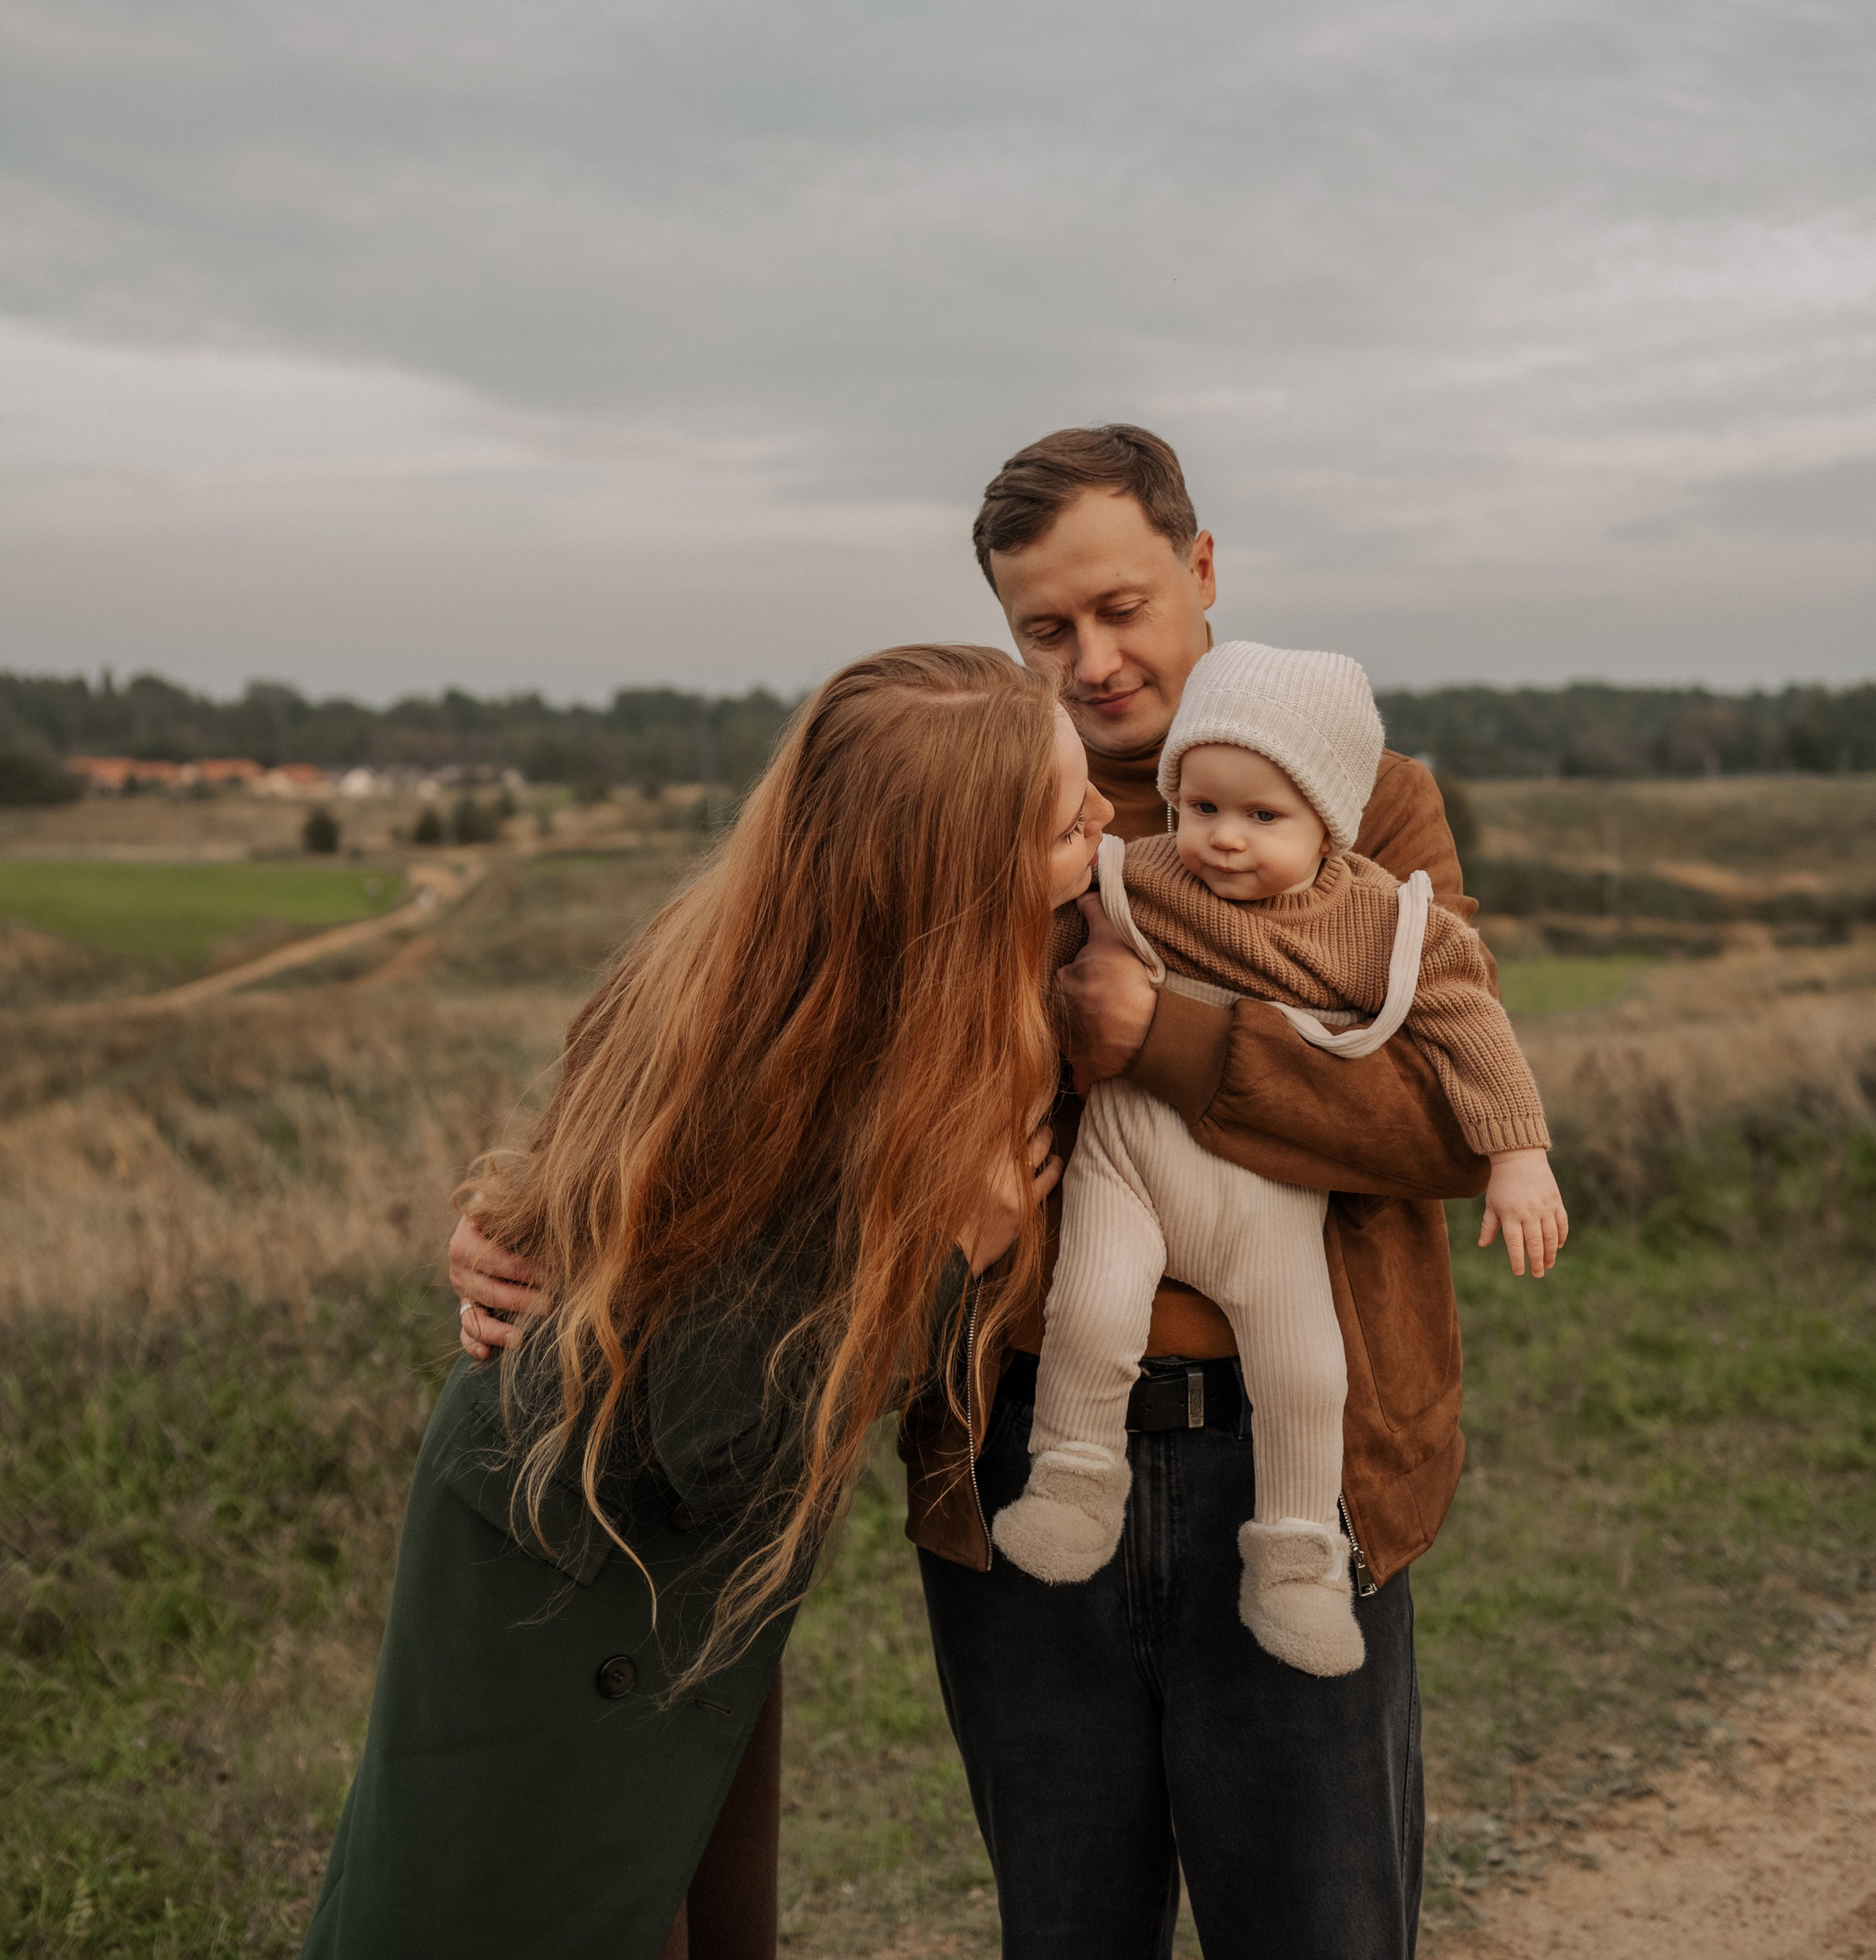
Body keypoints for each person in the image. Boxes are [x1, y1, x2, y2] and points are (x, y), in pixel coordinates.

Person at [455, 424, 1509, 1956]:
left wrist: (1161, 1039)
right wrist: (546, 1217)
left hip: (1290, 1456)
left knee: (1319, 1926)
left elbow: (1452, 1119)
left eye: (1123, 608)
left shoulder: (1363, 798)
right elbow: (749, 1040)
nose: (1092, 661)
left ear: (1204, 568)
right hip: (1013, 1449)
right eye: (1046, 630)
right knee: (1062, 1925)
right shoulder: (960, 803)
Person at [306, 645, 1101, 1960]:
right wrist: (959, 1250)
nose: (1108, 827)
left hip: (675, 1570)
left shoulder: (922, 975)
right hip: (576, 1555)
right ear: (954, 878)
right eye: (1070, 822)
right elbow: (720, 1432)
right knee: (525, 1906)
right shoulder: (762, 1032)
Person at [991, 637, 1565, 1679]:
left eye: (1264, 818)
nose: (1223, 839)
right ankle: (1072, 1484)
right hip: (1130, 1165)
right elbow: (1038, 940)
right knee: (1093, 1310)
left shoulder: (1374, 922)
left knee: (1306, 1374)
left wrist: (1518, 1155)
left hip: (1269, 1199)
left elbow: (1468, 1023)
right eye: (1202, 807)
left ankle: (1298, 1564)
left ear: (1329, 825)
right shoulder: (1141, 875)